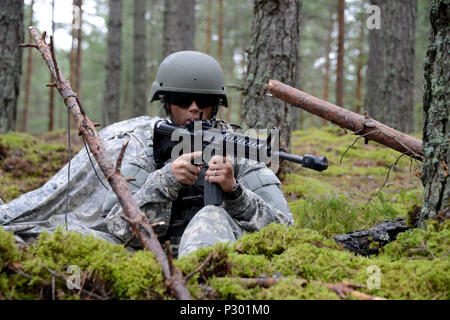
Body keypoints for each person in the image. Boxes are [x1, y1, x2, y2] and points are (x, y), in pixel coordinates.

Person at [103, 51, 293, 257]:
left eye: (203, 101)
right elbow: (114, 227)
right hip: (155, 260)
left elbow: (284, 229)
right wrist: (164, 182)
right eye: (182, 100)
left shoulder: (236, 152)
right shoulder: (152, 154)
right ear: (167, 102)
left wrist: (235, 192)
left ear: (215, 105)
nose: (194, 108)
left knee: (210, 216)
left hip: (221, 262)